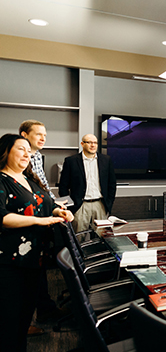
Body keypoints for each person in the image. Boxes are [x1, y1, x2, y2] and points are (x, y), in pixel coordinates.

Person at [0, 134, 73, 352]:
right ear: (6, 152)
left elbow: (47, 204)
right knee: (8, 323)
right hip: (9, 263)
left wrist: (58, 211)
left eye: (28, 151)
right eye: (21, 149)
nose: (27, 154)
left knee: (23, 320)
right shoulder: (2, 180)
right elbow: (2, 217)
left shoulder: (28, 179)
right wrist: (40, 220)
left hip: (34, 261)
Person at [19, 120, 68, 331]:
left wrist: (54, 204)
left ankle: (44, 309)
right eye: (38, 134)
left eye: (45, 135)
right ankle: (25, 322)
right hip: (27, 226)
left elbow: (42, 188)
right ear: (23, 135)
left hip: (42, 219)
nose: (43, 138)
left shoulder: (37, 156)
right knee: (26, 276)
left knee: (39, 271)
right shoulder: (21, 158)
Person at [58, 134, 116, 233]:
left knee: (102, 238)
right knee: (79, 238)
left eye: (95, 143)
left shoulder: (106, 160)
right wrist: (70, 207)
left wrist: (108, 204)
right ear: (82, 144)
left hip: (100, 205)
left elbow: (112, 184)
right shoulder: (71, 161)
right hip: (80, 206)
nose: (92, 145)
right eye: (89, 142)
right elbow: (63, 187)